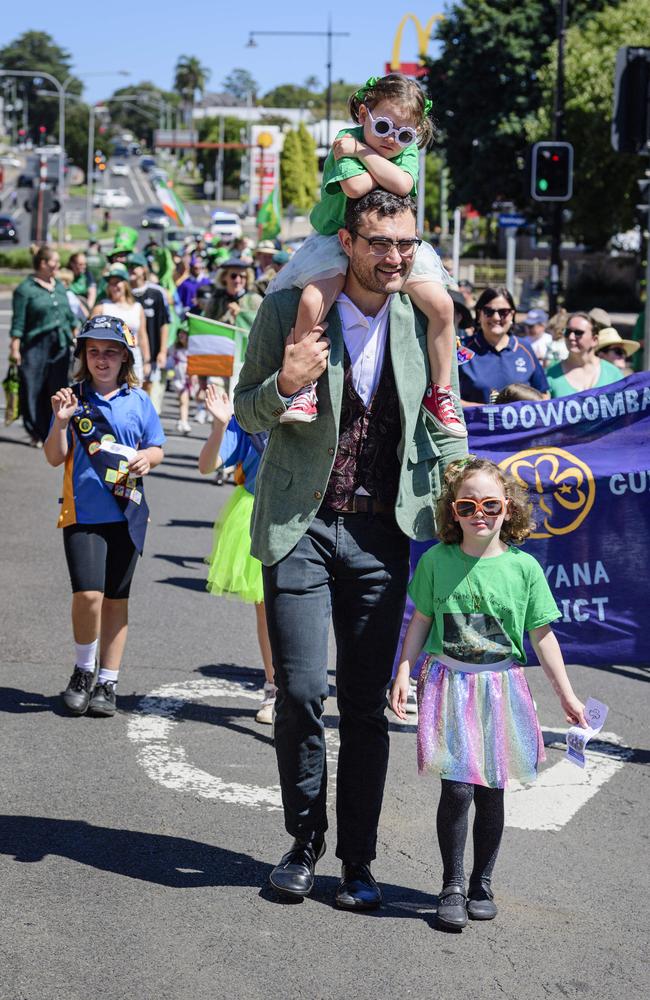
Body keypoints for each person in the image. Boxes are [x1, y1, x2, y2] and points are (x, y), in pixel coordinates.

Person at [233, 189, 468, 910]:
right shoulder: (288, 311)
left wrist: (467, 497)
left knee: (367, 707)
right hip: (301, 527)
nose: (394, 257)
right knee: (301, 693)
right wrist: (285, 385)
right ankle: (303, 843)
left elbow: (445, 418)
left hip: (381, 534)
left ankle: (357, 862)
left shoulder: (421, 315)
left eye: (406, 244)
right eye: (379, 244)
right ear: (348, 243)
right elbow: (247, 408)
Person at [390, 456, 586, 930]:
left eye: (491, 504)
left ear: (509, 510)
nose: (480, 513)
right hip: (448, 686)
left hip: (501, 688)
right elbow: (421, 620)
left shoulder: (523, 569)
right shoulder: (437, 560)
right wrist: (402, 669)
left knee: (491, 790)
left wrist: (567, 695)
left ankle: (482, 881)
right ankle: (452, 883)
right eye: (467, 505)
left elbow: (543, 636)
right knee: (456, 789)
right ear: (452, 512)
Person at [268, 73, 464, 439]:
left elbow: (403, 185)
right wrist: (370, 158)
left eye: (405, 135)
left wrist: (362, 154)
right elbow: (357, 187)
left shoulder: (360, 148)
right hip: (333, 236)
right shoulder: (346, 139)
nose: (393, 140)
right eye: (385, 126)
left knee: (442, 306)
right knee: (313, 300)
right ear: (363, 114)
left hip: (392, 236)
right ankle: (304, 387)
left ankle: (441, 393)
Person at [43, 315, 165, 717]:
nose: (101, 359)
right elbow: (54, 456)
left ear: (125, 358)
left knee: (115, 599)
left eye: (110, 352)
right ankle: (82, 670)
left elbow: (156, 447)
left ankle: (108, 682)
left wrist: (148, 458)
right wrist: (60, 423)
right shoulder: (71, 399)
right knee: (88, 595)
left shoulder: (139, 400)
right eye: (93, 351)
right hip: (81, 512)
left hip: (127, 512)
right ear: (83, 356)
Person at [198, 385, 276, 724]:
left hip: (307, 516)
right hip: (255, 512)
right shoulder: (249, 413)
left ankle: (302, 686)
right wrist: (219, 425)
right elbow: (207, 464)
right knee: (266, 608)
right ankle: (274, 687)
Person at [9, 245, 77, 446]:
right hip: (35, 345)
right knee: (33, 388)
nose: (58, 265)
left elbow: (69, 316)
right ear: (43, 264)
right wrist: (15, 347)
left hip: (61, 344)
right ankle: (35, 431)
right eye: (54, 261)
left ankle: (51, 430)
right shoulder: (25, 289)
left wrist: (76, 335)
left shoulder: (59, 286)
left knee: (57, 388)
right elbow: (18, 322)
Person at [458, 287, 549, 405]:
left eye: (503, 312)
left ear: (512, 315)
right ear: (479, 314)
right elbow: (448, 397)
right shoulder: (462, 349)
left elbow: (544, 395)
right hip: (474, 423)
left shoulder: (524, 348)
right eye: (488, 311)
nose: (496, 318)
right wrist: (489, 412)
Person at [92, 264, 151, 386]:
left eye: (117, 282)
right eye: (111, 283)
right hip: (108, 362)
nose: (114, 287)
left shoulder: (137, 308)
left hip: (134, 360)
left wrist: (147, 361)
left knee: (133, 397)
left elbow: (142, 336)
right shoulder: (101, 307)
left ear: (125, 284)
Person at [128, 253, 170, 412]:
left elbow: (164, 324)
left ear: (144, 269)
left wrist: (163, 351)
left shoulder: (156, 293)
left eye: (135, 266)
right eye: (129, 267)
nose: (131, 270)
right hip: (129, 353)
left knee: (149, 390)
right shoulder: (123, 292)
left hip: (151, 352)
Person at [545, 312, 623, 398]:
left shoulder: (613, 374)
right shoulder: (551, 375)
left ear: (594, 340)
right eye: (568, 332)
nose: (571, 337)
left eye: (578, 332)